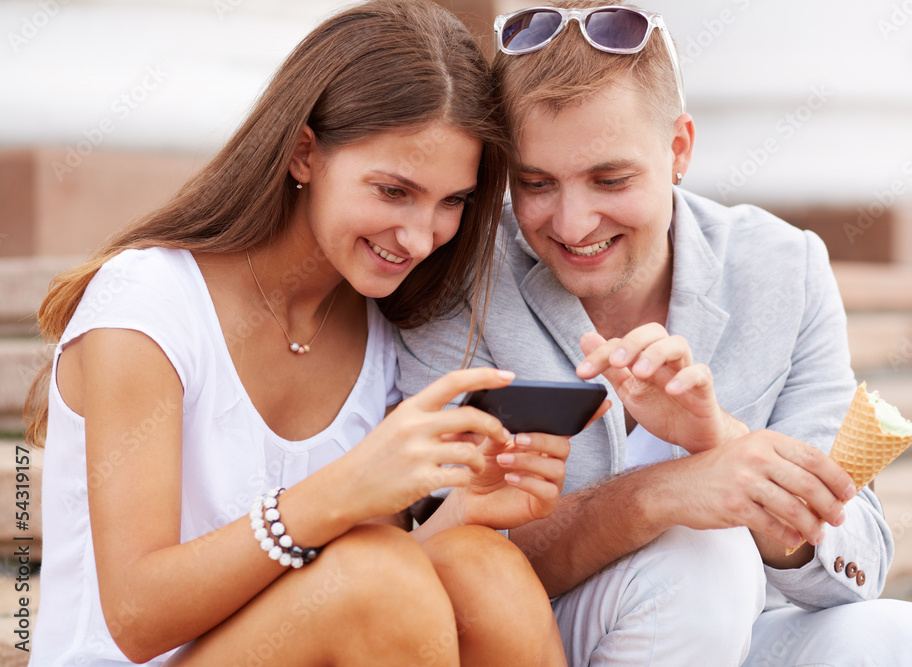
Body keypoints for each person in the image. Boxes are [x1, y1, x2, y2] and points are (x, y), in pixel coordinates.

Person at [396, 1, 912, 664]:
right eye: (536, 183)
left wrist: (718, 441)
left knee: (907, 641)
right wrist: (654, 497)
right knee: (702, 552)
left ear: (678, 150)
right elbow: (445, 562)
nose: (574, 222)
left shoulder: (784, 267)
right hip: (538, 634)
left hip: (741, 629)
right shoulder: (459, 278)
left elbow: (858, 554)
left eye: (610, 178)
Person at [23, 1, 575, 664]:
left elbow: (368, 605)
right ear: (304, 153)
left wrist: (468, 502)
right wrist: (336, 492)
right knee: (376, 578)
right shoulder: (149, 304)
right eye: (394, 190)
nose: (421, 235)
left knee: (485, 571)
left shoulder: (376, 330)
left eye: (451, 200)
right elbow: (136, 618)